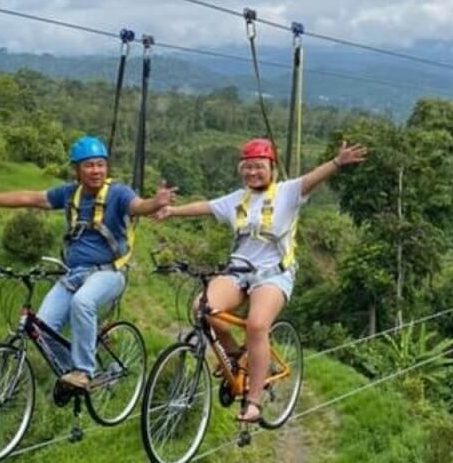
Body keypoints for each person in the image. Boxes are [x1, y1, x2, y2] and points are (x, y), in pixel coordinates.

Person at [155, 137, 367, 423]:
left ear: (272, 168)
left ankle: (253, 402)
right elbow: (205, 206)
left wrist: (337, 162)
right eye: (248, 167)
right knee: (201, 309)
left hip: (274, 274)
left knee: (256, 325)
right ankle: (234, 354)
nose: (253, 172)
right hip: (238, 271)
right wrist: (171, 211)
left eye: (259, 166)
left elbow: (313, 179)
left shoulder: (287, 192)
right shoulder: (237, 199)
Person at [0, 135, 175, 394]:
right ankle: (71, 375)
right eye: (89, 165)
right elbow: (30, 198)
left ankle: (83, 371)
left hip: (109, 273)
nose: (96, 170)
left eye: (100, 164)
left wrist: (155, 203)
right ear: (77, 170)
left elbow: (138, 206)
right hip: (74, 274)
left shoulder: (118, 193)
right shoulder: (70, 194)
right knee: (42, 329)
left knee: (82, 302)